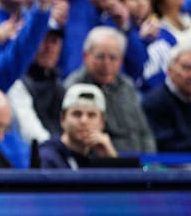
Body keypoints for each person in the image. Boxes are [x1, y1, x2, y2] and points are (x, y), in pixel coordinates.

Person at [65, 26, 156, 154]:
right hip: (101, 165)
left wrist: (150, 164)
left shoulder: (127, 86)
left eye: (113, 57)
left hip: (138, 165)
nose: (106, 63)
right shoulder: (74, 88)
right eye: (100, 57)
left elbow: (144, 132)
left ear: (121, 60)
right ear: (86, 56)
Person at [38, 83, 119, 168]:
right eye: (77, 114)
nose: (84, 121)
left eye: (91, 115)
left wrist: (111, 160)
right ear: (63, 119)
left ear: (102, 122)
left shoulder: (101, 153)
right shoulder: (47, 157)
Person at [143, 40, 191, 152]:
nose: (190, 75)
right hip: (169, 165)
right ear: (169, 69)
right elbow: (164, 146)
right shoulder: (155, 102)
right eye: (186, 68)